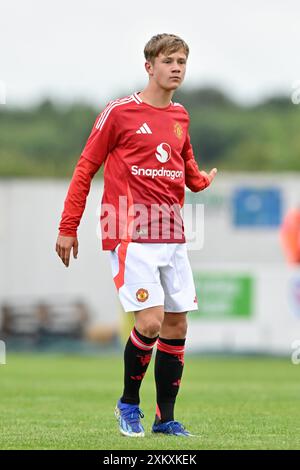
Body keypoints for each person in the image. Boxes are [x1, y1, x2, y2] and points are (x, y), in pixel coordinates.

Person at [56, 33, 217, 437]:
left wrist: (199, 182)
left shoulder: (181, 116)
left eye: (182, 60)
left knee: (176, 326)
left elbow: (185, 163)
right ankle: (128, 404)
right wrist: (67, 226)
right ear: (150, 66)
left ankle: (166, 418)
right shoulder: (119, 113)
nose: (176, 67)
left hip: (173, 235)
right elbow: (84, 168)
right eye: (168, 60)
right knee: (150, 320)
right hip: (129, 232)